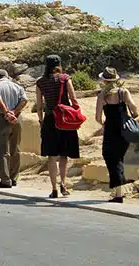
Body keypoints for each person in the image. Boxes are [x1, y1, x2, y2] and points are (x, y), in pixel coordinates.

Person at [36, 55, 80, 198]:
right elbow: (73, 98)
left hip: (49, 119)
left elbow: (39, 105)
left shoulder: (40, 82)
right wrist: (76, 112)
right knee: (63, 154)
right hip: (64, 120)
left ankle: (53, 188)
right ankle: (63, 184)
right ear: (59, 64)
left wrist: (41, 120)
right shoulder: (65, 78)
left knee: (51, 155)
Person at [95, 67, 138, 203]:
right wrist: (134, 116)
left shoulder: (102, 95)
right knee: (118, 158)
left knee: (110, 157)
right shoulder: (123, 92)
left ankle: (118, 194)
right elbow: (133, 107)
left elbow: (97, 117)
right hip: (124, 129)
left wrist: (104, 125)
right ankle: (119, 191)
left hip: (110, 130)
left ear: (104, 80)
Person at [0, 69, 28, 188]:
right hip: (17, 118)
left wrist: (6, 113)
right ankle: (14, 177)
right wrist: (14, 112)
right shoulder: (17, 86)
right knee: (15, 149)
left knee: (2, 150)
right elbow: (24, 100)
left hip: (3, 118)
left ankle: (5, 180)